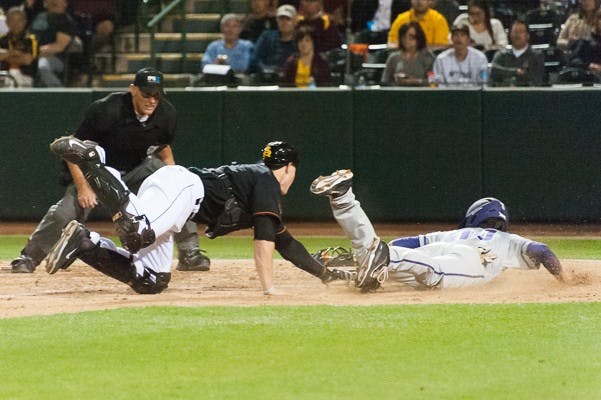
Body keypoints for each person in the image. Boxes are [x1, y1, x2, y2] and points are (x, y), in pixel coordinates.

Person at [45, 138, 354, 294]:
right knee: (136, 231)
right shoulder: (268, 181)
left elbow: (285, 243)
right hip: (182, 187)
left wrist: (324, 274)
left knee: (152, 281)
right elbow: (264, 243)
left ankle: (84, 243)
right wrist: (268, 288)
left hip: (180, 200)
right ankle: (94, 160)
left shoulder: (259, 182)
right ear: (289, 168)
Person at [10, 67, 207, 274]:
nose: (152, 100)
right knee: (64, 213)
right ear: (133, 90)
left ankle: (190, 253)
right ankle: (29, 257)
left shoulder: (166, 114)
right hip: (98, 171)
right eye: (146, 94)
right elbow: (72, 149)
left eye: (156, 95)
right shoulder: (107, 110)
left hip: (137, 170)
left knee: (177, 194)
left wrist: (175, 181)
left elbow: (163, 149)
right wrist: (84, 187)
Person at [310, 169, 566, 292]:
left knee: (393, 267)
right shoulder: (506, 239)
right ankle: (378, 258)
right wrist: (564, 281)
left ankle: (343, 199)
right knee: (434, 273)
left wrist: (385, 251)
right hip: (469, 261)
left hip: (434, 251)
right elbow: (542, 251)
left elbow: (406, 242)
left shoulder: (452, 234)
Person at [29, 0, 79, 87]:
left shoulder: (66, 21)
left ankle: (59, 94)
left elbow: (59, 46)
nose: (54, 1)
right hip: (31, 55)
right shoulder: (39, 16)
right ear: (45, 3)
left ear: (65, 3)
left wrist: (35, 51)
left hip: (55, 58)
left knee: (43, 66)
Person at [490, 20, 545, 86]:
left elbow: (535, 79)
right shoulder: (501, 54)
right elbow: (494, 70)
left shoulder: (536, 56)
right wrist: (515, 72)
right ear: (509, 35)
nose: (517, 35)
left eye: (521, 32)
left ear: (527, 35)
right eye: (515, 32)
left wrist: (506, 74)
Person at [381, 21, 434, 86]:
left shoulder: (427, 56)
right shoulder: (393, 58)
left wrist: (415, 81)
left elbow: (432, 81)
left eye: (411, 38)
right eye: (404, 37)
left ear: (418, 38)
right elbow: (385, 81)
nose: (406, 41)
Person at [250, 4, 298, 77]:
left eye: (288, 19)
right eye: (281, 18)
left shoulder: (301, 40)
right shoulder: (266, 36)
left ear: (295, 21)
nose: (284, 22)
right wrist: (266, 70)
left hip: (291, 80)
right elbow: (255, 58)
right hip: (267, 79)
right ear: (277, 20)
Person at [0, 6, 38, 87]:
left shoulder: (31, 39)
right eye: (12, 20)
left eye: (19, 20)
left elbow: (27, 60)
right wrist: (14, 52)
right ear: (6, 22)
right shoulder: (1, 39)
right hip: (3, 76)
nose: (16, 24)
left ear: (25, 22)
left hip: (25, 78)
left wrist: (5, 55)